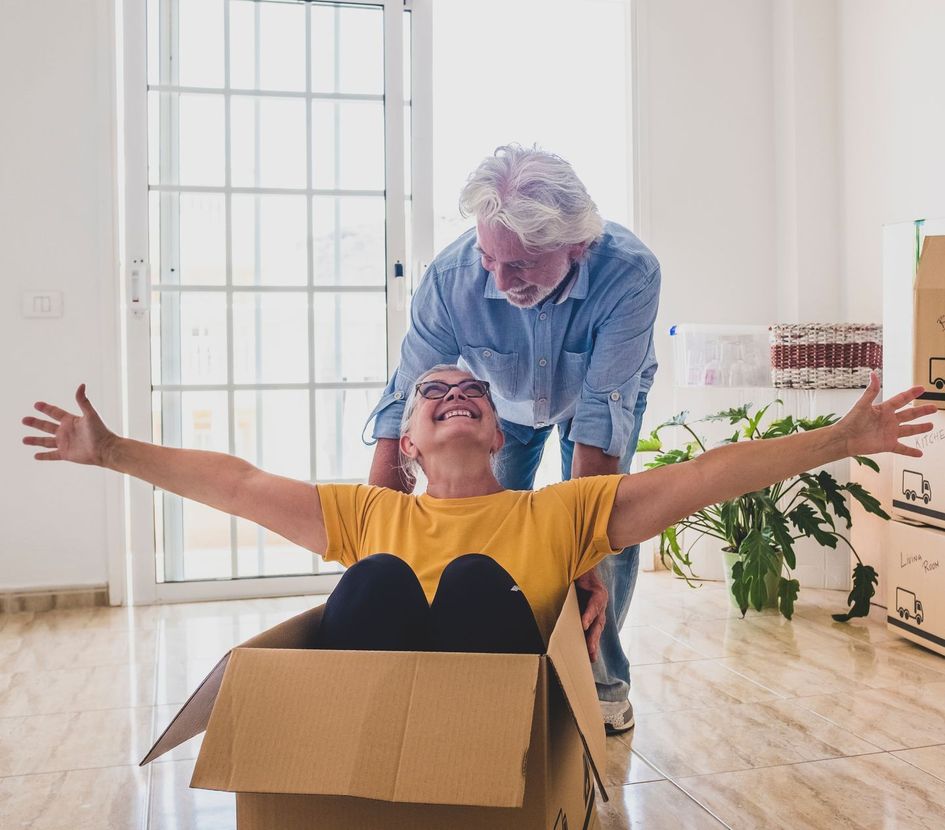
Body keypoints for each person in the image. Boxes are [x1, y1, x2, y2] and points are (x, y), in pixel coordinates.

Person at [22, 369, 933, 676]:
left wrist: (838, 437)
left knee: (467, 581)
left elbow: (702, 477)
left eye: (472, 397)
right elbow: (235, 482)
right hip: (377, 706)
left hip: (493, 717)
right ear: (409, 443)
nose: (455, 400)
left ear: (499, 431)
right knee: (375, 576)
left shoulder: (564, 510)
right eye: (434, 399)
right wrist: (113, 453)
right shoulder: (363, 512)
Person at [366, 145, 660, 732]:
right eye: (488, 258)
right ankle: (501, 666)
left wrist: (582, 554)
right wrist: (379, 525)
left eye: (519, 266)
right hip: (498, 402)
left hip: (596, 398)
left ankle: (596, 681)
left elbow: (602, 419)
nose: (498, 280)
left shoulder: (630, 272)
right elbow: (407, 395)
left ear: (576, 246)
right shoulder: (453, 279)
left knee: (608, 533)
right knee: (489, 528)